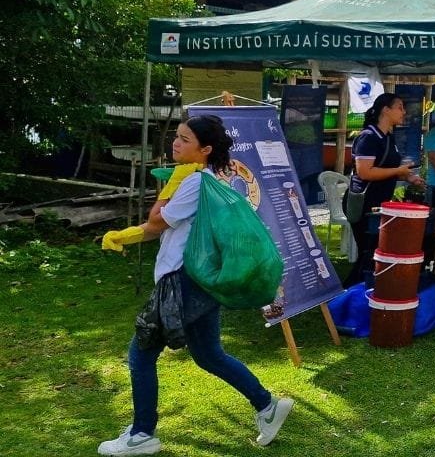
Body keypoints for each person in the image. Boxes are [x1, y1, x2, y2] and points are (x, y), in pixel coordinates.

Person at [97, 116, 293, 455]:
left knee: (140, 353)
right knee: (208, 354)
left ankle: (142, 435)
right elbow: (158, 227)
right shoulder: (207, 178)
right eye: (177, 136)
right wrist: (124, 237)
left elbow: (158, 222)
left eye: (185, 140)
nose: (175, 142)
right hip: (199, 280)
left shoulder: (193, 181)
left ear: (205, 149)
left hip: (183, 281)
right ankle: (267, 406)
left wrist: (171, 186)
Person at [344, 93, 424, 287]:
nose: (404, 112)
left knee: (372, 250)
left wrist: (408, 176)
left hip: (379, 204)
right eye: (399, 107)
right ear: (385, 110)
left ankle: (361, 290)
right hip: (362, 203)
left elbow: (385, 169)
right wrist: (398, 170)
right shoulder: (369, 137)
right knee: (368, 251)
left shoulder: (389, 136)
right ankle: (349, 292)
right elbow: (365, 172)